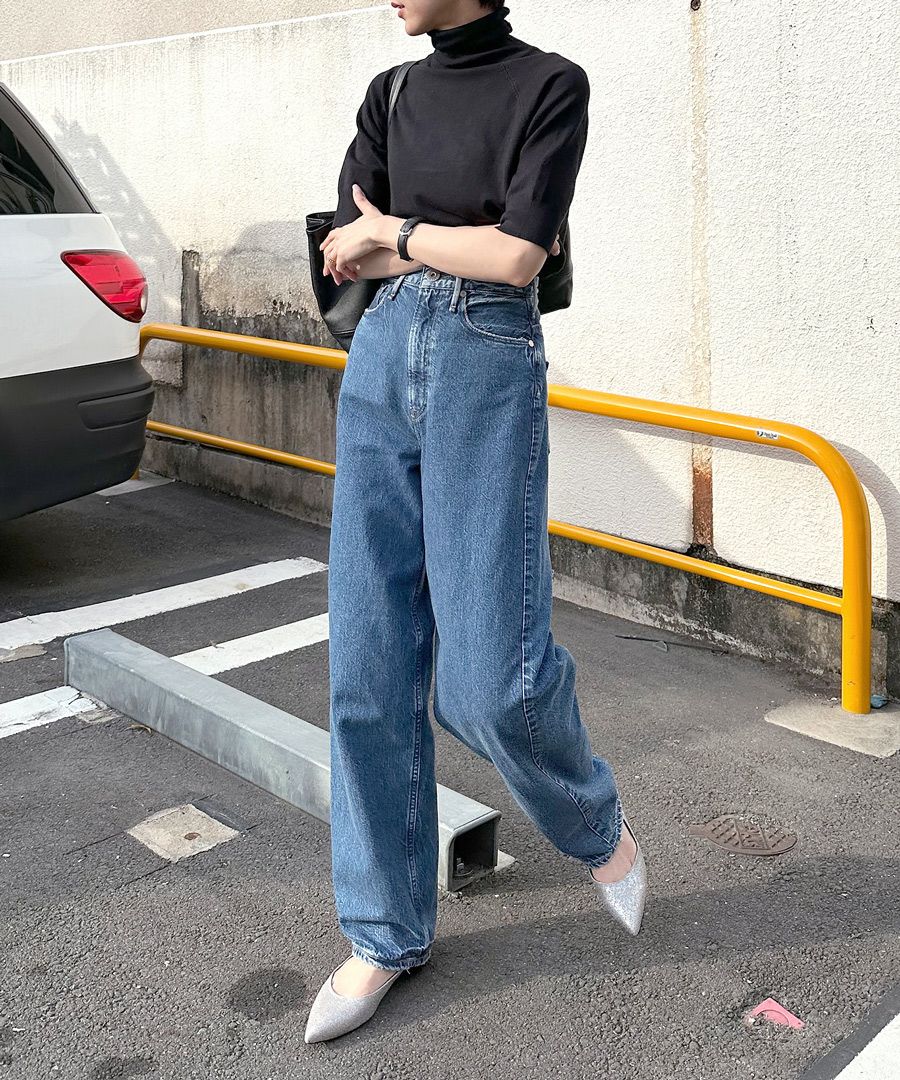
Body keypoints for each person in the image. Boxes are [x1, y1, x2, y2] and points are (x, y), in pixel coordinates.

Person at [306, 0, 647, 1044]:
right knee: (367, 670)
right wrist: (423, 243)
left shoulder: (549, 84)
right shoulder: (392, 92)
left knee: (490, 680)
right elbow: (345, 252)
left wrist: (399, 233)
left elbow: (518, 259)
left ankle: (594, 827)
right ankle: (382, 933)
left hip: (484, 360)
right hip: (379, 362)